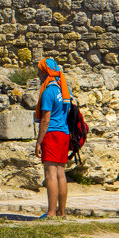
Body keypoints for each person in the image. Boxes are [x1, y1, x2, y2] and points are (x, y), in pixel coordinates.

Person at [35, 57, 71, 219]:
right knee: (61, 173)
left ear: (44, 72)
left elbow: (46, 119)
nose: (38, 74)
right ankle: (61, 212)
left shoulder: (48, 91)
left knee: (50, 174)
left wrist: (39, 142)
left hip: (52, 134)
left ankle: (50, 213)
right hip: (64, 133)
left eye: (39, 71)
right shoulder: (63, 89)